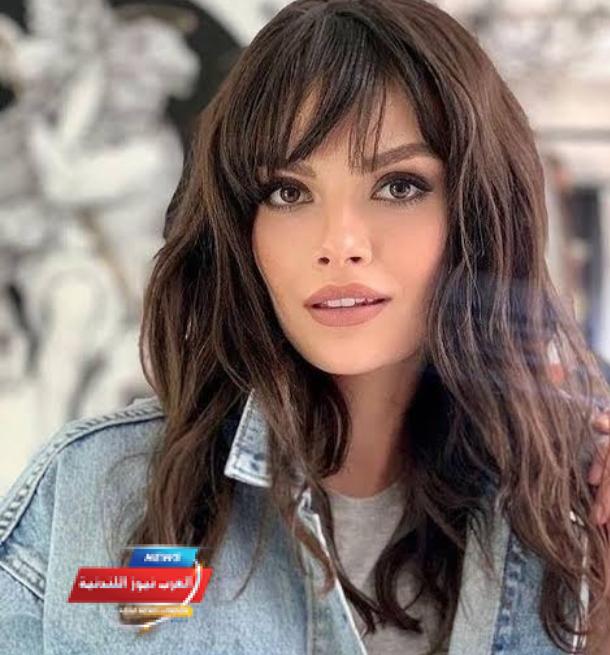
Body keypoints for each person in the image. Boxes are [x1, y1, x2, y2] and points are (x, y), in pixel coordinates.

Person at [1, 1, 610, 653]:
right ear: (243, 228)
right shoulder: (90, 495)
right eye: (288, 192)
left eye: (399, 186)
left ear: (476, 213)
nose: (339, 243)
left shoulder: (569, 511)